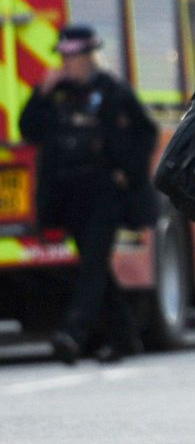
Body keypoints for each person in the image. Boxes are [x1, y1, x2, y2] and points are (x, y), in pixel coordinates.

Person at [20, 25, 157, 365]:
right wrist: (41, 92)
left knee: (93, 266)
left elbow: (145, 132)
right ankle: (125, 336)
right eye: (64, 57)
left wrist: (127, 171)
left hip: (104, 194)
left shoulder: (112, 90)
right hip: (69, 194)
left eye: (75, 57)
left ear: (90, 57)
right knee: (94, 267)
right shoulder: (57, 92)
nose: (69, 63)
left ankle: (73, 332)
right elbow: (29, 129)